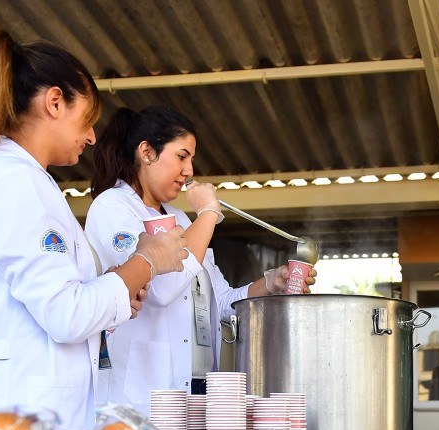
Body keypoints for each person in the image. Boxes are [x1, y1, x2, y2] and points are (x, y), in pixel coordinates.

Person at [0, 28, 189, 430]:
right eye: (87, 120)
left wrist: (113, 297)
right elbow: (67, 313)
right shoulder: (12, 182)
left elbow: (56, 306)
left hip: (17, 422)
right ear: (54, 102)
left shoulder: (26, 181)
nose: (91, 136)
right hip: (4, 425)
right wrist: (148, 260)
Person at [85, 106, 313, 411]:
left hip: (194, 387)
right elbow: (163, 289)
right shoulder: (112, 207)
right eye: (182, 156)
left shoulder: (179, 218)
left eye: (191, 159)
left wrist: (269, 284)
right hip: (141, 395)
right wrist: (207, 213)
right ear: (147, 152)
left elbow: (219, 301)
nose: (189, 170)